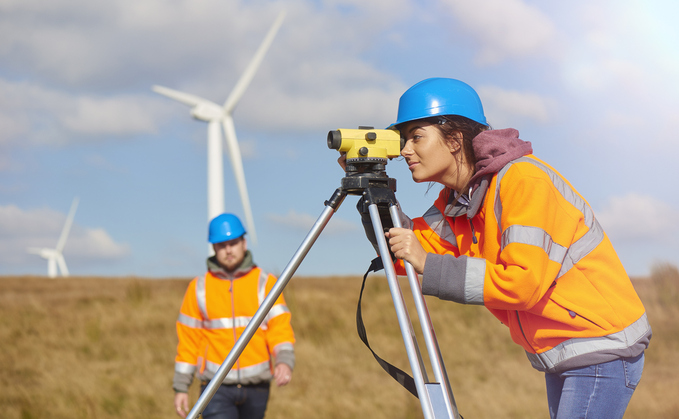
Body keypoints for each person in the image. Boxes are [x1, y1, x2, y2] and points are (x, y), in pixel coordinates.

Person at [345, 78, 652, 419]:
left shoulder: (522, 181)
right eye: (403, 140)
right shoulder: (460, 201)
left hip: (600, 344)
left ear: (454, 139)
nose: (405, 151)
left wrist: (426, 263)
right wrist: (372, 193)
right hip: (563, 350)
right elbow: (407, 253)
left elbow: (522, 284)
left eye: (416, 136)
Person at [173, 213, 295, 419]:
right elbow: (188, 341)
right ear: (214, 248)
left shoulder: (265, 283)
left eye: (233, 242)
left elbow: (280, 329)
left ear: (244, 242)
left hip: (257, 388)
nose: (228, 250)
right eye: (221, 245)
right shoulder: (198, 288)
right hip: (215, 387)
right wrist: (181, 386)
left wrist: (284, 360)